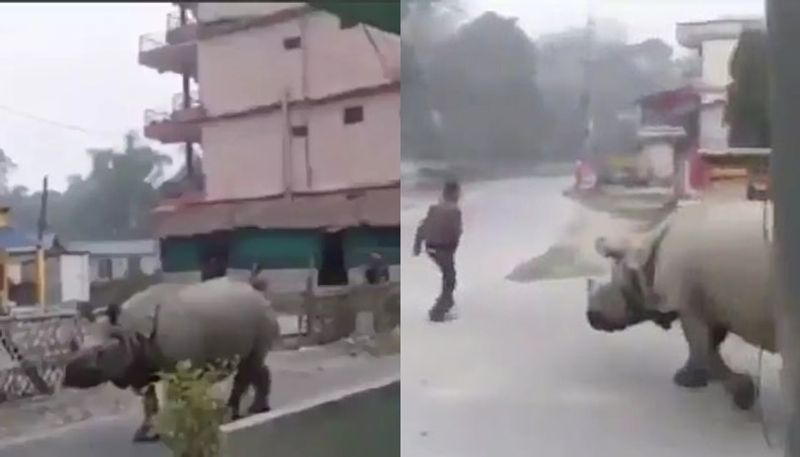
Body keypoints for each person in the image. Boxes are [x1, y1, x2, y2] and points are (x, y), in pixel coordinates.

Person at [413, 179, 462, 322]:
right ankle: (438, 312)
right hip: (443, 248)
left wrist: (417, 245)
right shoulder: (454, 211)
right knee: (450, 279)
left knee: (448, 276)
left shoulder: (434, 208)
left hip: (430, 247)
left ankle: (447, 302)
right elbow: (456, 232)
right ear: (455, 194)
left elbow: (422, 227)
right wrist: (452, 248)